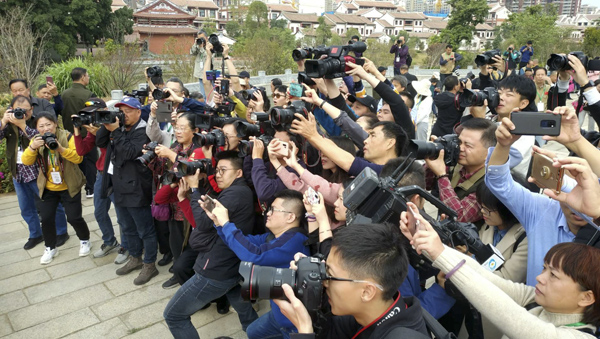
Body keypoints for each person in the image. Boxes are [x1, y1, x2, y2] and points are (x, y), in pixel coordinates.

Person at [400, 207, 600, 339]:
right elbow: (488, 280)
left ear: (586, 297)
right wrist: (427, 243)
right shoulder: (537, 301)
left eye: (553, 275)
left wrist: (440, 252)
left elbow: (509, 314)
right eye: (544, 269)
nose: (540, 277)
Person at [486, 112, 590, 286]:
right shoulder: (542, 210)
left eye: (586, 194)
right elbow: (498, 183)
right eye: (569, 192)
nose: (576, 206)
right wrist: (503, 146)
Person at [274, 223, 429, 338]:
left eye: (329, 274)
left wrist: (304, 332)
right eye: (323, 269)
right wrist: (310, 293)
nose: (325, 282)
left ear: (367, 292)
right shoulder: (371, 312)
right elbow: (331, 333)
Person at [163, 151, 259, 338]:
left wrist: (195, 190)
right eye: (217, 170)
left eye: (224, 170)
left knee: (174, 315)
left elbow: (203, 223)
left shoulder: (234, 194)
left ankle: (256, 330)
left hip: (215, 269)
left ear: (238, 173)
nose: (219, 175)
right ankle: (256, 331)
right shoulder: (239, 191)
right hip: (231, 265)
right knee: (238, 299)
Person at [201, 189, 310, 339]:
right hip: (278, 314)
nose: (268, 213)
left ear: (290, 217)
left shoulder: (294, 241)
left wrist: (226, 223)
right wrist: (219, 223)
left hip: (293, 323)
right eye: (268, 209)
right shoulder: (275, 237)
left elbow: (253, 255)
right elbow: (244, 244)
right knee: (253, 332)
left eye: (273, 209)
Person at [96, 96, 158, 285]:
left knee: (144, 229)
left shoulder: (144, 131)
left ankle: (149, 264)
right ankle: (135, 257)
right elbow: (100, 141)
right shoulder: (119, 128)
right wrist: (106, 123)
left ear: (139, 112)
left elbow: (130, 152)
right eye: (121, 111)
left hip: (137, 187)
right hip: (118, 185)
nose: (124, 115)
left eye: (128, 111)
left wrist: (117, 132)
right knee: (127, 226)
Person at [21, 112, 91, 264]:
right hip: (48, 186)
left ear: (55, 124)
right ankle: (50, 247)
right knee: (46, 218)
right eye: (41, 126)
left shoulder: (67, 137)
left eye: (48, 124)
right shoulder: (36, 140)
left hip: (69, 185)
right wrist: (32, 147)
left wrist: (60, 149)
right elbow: (26, 161)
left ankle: (85, 240)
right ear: (37, 128)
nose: (46, 128)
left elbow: (78, 157)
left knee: (74, 217)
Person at [0, 96, 69, 250]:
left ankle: (61, 232)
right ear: (11, 109)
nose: (22, 113)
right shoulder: (9, 124)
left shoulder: (38, 122)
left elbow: (43, 139)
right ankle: (35, 234)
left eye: (25, 110)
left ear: (31, 109)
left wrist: (23, 125)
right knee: (26, 207)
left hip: (38, 172)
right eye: (18, 109)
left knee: (50, 204)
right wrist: (3, 122)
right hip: (18, 171)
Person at [72, 99, 128, 262]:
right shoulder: (94, 128)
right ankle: (109, 241)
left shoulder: (115, 123)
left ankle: (126, 246)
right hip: (101, 174)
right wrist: (77, 129)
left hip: (116, 175)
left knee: (121, 215)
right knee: (99, 211)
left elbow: (118, 147)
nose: (91, 117)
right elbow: (82, 150)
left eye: (94, 112)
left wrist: (101, 133)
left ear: (104, 110)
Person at [475, 181, 528, 339]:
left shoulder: (525, 238)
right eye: (482, 206)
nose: (482, 212)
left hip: (498, 311)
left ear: (507, 209)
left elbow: (506, 280)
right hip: (476, 304)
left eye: (489, 209)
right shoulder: (489, 225)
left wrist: (467, 264)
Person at [425, 118, 496, 224]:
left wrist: (441, 175)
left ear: (488, 153)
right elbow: (424, 183)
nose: (460, 148)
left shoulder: (491, 182)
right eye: (459, 142)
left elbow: (459, 217)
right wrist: (434, 154)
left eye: (468, 146)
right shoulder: (455, 165)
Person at [292, 114, 407, 177]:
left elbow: (348, 162)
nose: (366, 141)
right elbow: (335, 149)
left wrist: (313, 135)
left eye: (372, 136)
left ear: (390, 143)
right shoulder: (369, 163)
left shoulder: (395, 173)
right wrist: (313, 134)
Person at [61, 67, 96, 198]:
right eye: (87, 76)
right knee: (91, 161)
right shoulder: (88, 94)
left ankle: (75, 187)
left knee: (76, 161)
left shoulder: (64, 94)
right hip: (86, 133)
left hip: (69, 134)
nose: (88, 78)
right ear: (82, 77)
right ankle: (90, 188)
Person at [190, 30, 208, 98]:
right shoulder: (198, 45)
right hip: (200, 73)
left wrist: (201, 48)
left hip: (208, 73)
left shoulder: (210, 46)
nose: (201, 40)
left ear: (206, 38)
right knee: (203, 94)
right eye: (199, 38)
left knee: (208, 93)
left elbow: (206, 56)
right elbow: (192, 53)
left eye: (202, 38)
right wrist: (195, 44)